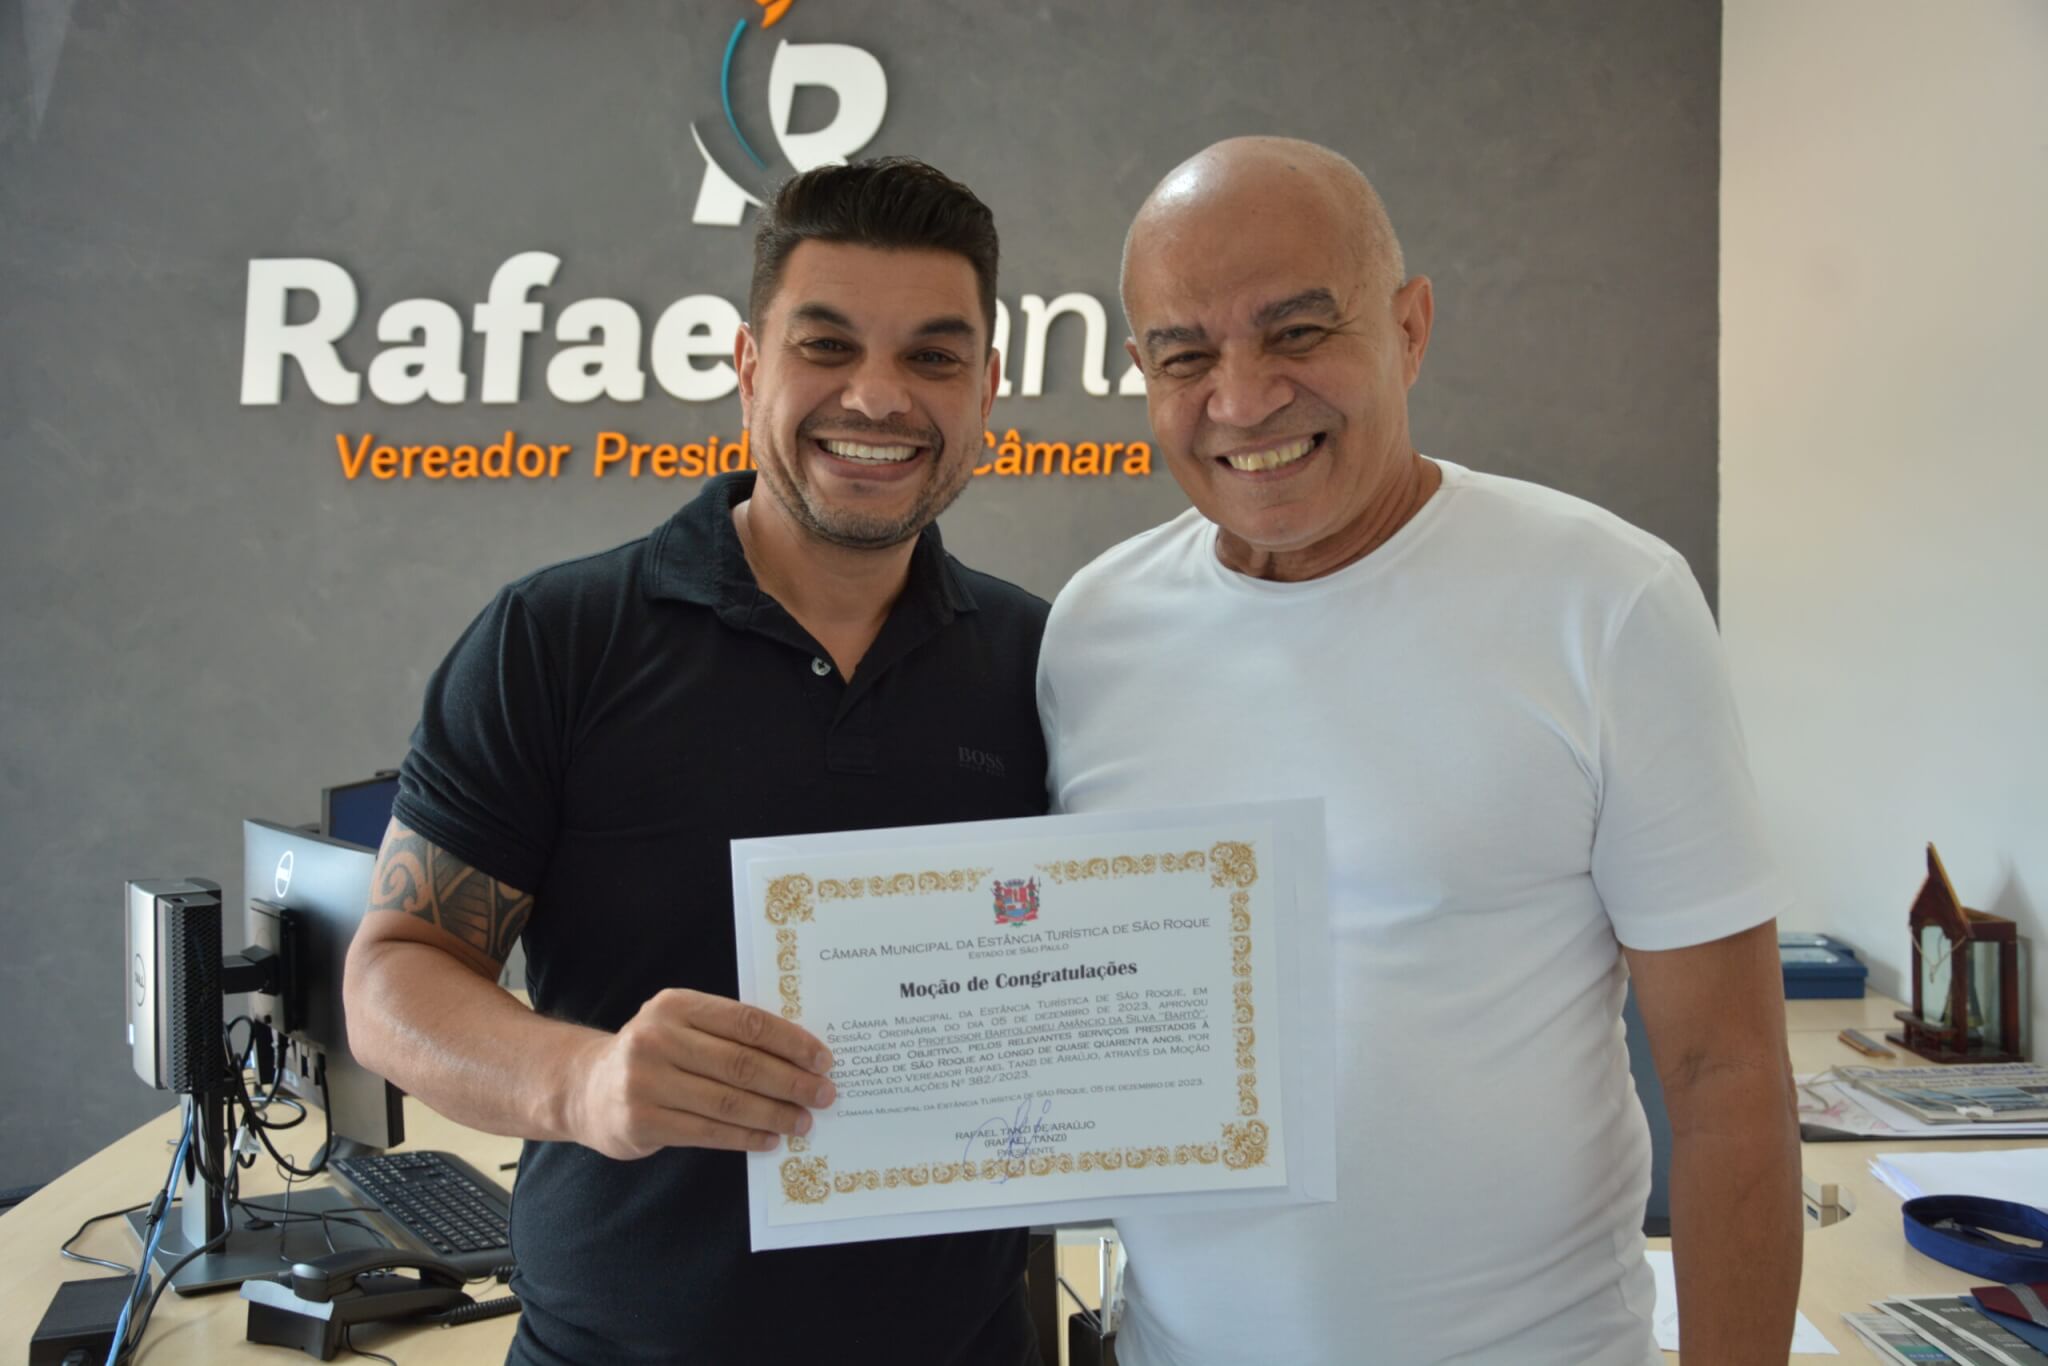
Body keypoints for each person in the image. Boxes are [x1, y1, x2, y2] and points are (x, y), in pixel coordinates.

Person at [1037, 137, 1802, 1364]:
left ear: (1408, 328)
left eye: (1296, 332)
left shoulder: (1605, 602)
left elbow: (1726, 1078)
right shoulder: (1090, 632)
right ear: (1141, 373)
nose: (1242, 398)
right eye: (1185, 356)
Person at [343, 158, 1050, 1366]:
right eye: (826, 346)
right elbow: (395, 975)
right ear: (748, 366)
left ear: (986, 388)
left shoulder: (1039, 660)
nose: (877, 396)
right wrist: (586, 1081)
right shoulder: (555, 640)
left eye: (932, 356)